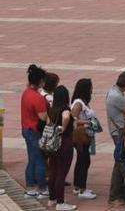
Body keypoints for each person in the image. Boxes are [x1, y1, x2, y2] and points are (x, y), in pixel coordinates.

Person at [106, 71, 125, 207]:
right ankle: (115, 196)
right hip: (119, 132)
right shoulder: (117, 96)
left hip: (118, 130)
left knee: (119, 161)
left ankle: (118, 194)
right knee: (121, 163)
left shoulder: (114, 91)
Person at [47, 85, 77, 210]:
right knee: (61, 172)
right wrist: (63, 128)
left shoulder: (52, 109)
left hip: (53, 143)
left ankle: (52, 199)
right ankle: (60, 203)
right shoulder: (65, 109)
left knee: (53, 171)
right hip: (64, 142)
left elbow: (49, 122)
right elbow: (65, 116)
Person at [21, 64, 49, 199]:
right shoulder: (38, 98)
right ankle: (42, 188)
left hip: (26, 129)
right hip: (34, 131)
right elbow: (43, 117)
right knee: (39, 161)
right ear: (40, 81)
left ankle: (30, 187)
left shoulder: (26, 92)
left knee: (32, 159)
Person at [71, 78, 98, 201]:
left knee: (82, 160)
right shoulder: (78, 103)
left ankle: (77, 186)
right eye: (90, 87)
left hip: (86, 135)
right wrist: (88, 122)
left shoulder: (83, 102)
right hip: (81, 136)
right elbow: (72, 119)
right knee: (84, 161)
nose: (92, 89)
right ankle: (82, 188)